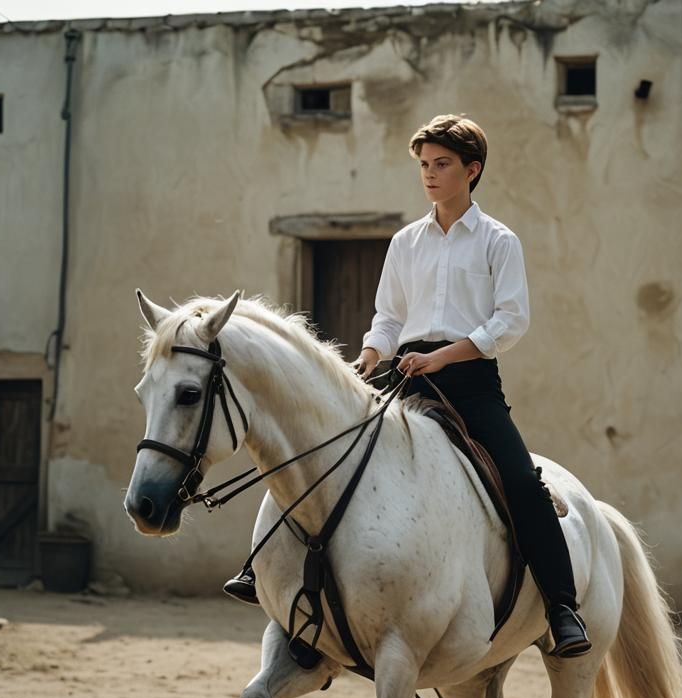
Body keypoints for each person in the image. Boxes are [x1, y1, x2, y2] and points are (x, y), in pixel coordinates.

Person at [225, 113, 591, 658]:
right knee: (321, 451)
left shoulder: (498, 240)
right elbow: (389, 318)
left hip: (470, 381)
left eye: (441, 164)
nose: (430, 174)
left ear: (472, 170)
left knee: (521, 482)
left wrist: (442, 356)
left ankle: (562, 607)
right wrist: (369, 357)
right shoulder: (405, 242)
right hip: (405, 377)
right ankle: (264, 571)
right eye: (424, 165)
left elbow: (510, 321)